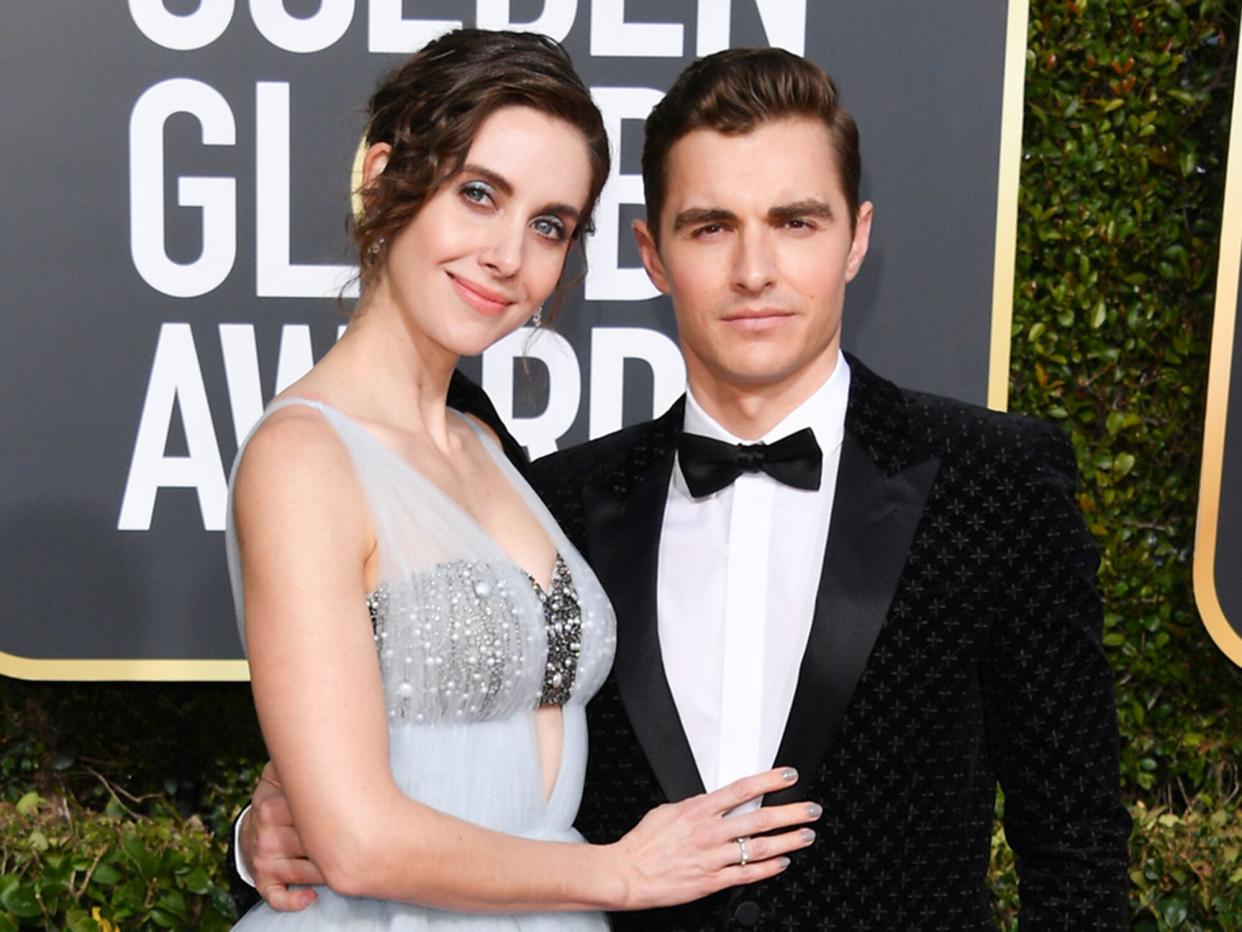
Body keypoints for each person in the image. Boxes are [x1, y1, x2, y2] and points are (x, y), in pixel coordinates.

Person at [237, 46, 1132, 929]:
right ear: (652, 253)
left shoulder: (996, 481)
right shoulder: (559, 500)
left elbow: (1077, 844)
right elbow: (414, 766)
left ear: (855, 238)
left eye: (796, 222)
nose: (754, 272)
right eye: (711, 226)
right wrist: (263, 836)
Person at [224, 30, 818, 930]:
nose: (509, 255)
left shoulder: (489, 448)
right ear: (386, 178)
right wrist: (621, 874)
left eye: (548, 225)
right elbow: (354, 842)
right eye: (478, 195)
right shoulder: (303, 458)